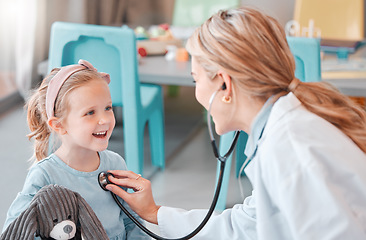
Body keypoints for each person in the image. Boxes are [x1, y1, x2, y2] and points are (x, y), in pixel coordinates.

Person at [105, 6, 366, 240]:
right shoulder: (281, 131)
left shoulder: (289, 147)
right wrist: (154, 212)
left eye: (196, 80)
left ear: (223, 84)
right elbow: (246, 224)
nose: (198, 94)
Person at [2, 60, 148, 239]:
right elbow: (16, 230)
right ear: (59, 125)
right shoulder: (44, 175)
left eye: (108, 108)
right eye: (90, 112)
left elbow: (131, 219)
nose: (105, 120)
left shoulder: (115, 163)